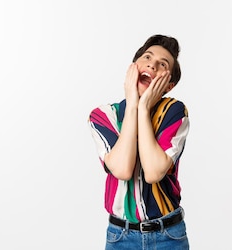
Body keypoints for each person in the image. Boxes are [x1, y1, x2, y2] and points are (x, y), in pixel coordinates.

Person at [88, 34, 191, 249]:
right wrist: (133, 104)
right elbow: (123, 169)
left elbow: (154, 172)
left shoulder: (173, 112)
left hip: (168, 236)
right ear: (133, 67)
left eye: (162, 64)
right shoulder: (103, 115)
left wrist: (143, 109)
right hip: (120, 237)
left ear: (168, 85)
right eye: (147, 58)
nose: (152, 65)